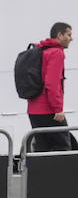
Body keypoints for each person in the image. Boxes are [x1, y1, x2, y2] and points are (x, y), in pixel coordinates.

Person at [26, 22, 76, 151]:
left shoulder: (41, 50)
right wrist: (57, 109)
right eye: (69, 34)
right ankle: (61, 172)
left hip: (34, 110)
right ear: (59, 35)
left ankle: (41, 172)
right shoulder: (56, 53)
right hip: (49, 111)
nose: (72, 38)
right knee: (63, 148)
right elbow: (52, 84)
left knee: (42, 149)